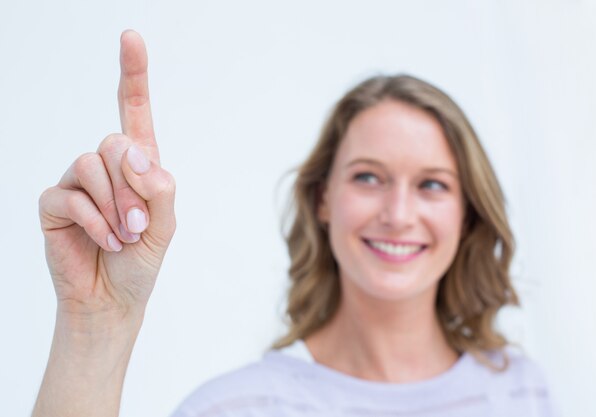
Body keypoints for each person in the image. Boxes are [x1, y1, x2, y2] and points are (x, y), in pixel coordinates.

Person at [33, 31, 557, 417]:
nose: (398, 215)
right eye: (368, 177)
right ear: (322, 199)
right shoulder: (235, 408)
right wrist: (94, 322)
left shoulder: (520, 393)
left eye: (433, 184)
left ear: (468, 214)